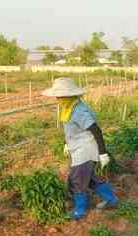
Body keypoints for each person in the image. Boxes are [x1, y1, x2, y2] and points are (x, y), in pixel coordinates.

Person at [43, 77, 119, 220]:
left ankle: (80, 210)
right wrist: (66, 143)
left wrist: (103, 153)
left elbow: (96, 130)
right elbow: (71, 129)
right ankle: (111, 200)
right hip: (77, 148)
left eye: (60, 96)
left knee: (77, 179)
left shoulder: (79, 111)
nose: (57, 98)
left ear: (70, 95)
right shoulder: (68, 108)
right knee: (90, 178)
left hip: (86, 150)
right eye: (57, 96)